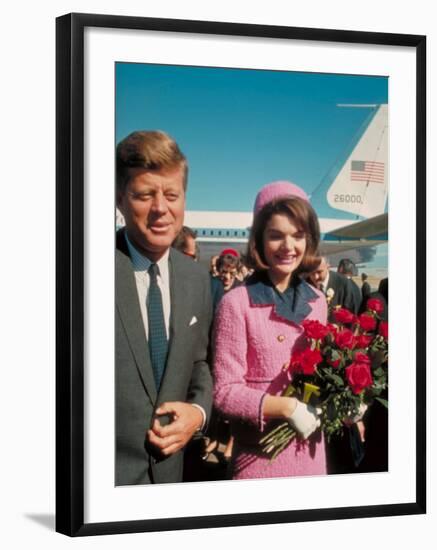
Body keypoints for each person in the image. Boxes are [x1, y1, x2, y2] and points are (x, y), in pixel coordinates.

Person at [115, 130, 213, 485]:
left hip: (170, 481)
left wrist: (198, 413)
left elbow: (199, 362)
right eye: (144, 194)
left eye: (171, 194)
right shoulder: (79, 268)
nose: (161, 208)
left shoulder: (196, 278)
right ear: (119, 198)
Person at [213, 181, 328, 480]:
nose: (288, 247)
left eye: (298, 236)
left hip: (312, 454)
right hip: (259, 458)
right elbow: (224, 392)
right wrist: (286, 408)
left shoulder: (317, 302)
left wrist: (349, 398)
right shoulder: (236, 303)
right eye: (276, 236)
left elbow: (322, 373)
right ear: (260, 240)